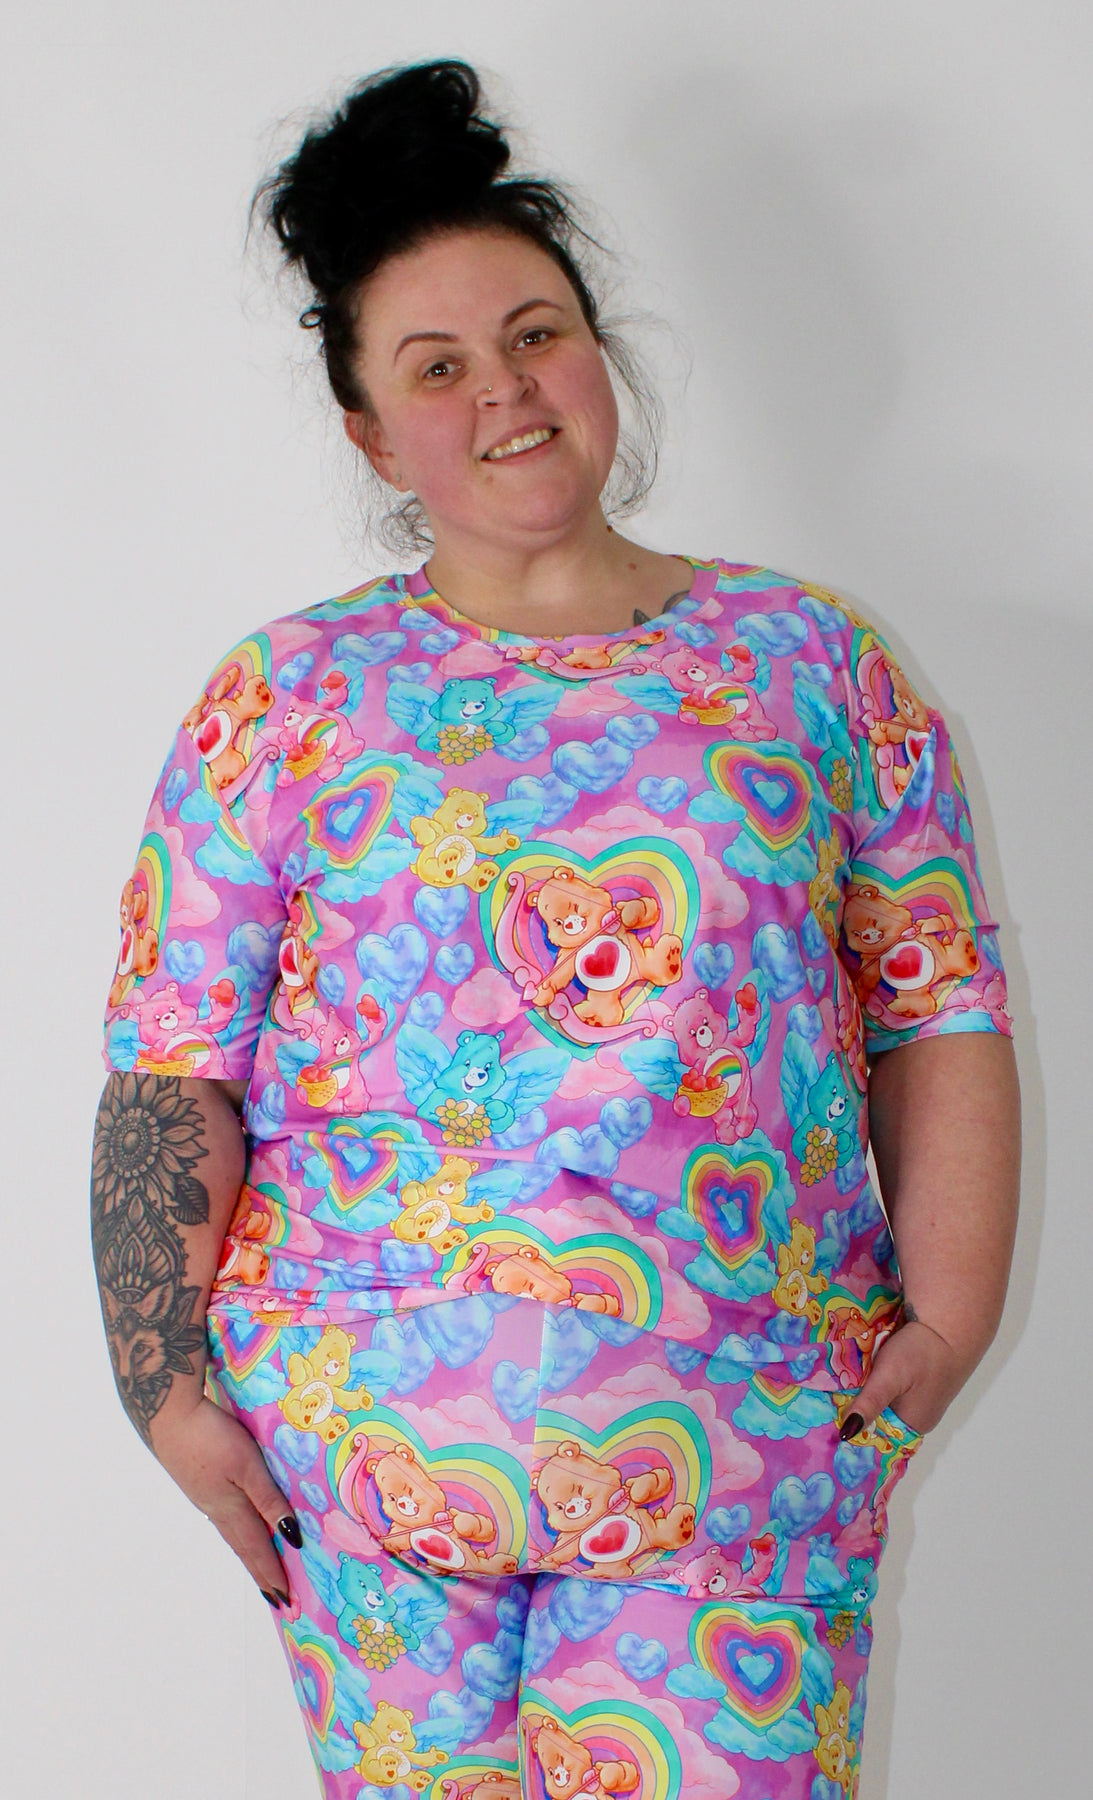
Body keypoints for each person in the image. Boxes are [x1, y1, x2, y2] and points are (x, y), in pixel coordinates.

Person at [91, 59, 1020, 1800]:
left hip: (739, 1459)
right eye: (435, 366)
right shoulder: (282, 701)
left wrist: (946, 1329)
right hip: (367, 1479)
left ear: (599, 354)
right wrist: (163, 1389)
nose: (504, 390)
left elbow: (935, 1007)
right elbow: (172, 1065)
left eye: (535, 335)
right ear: (372, 434)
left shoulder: (811, 665)